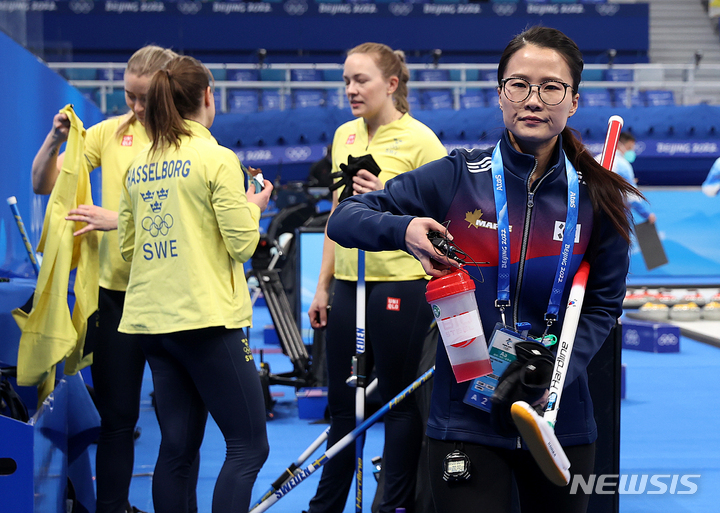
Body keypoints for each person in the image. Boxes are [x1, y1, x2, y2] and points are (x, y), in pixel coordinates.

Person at [325, 27, 638, 513]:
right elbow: (345, 218)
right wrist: (404, 230)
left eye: (551, 87)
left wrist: (555, 373)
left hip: (558, 420)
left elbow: (603, 304)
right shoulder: (456, 175)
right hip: (465, 416)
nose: (533, 99)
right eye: (518, 84)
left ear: (573, 100)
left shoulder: (598, 197)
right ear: (500, 95)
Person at [30, 45, 195, 513]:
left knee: (178, 425)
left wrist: (117, 218)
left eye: (146, 98)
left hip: (171, 301)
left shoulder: (188, 139)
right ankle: (112, 508)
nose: (138, 108)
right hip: (116, 299)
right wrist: (54, 140)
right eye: (130, 97)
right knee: (117, 419)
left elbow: (184, 217)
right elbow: (45, 184)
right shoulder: (108, 133)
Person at [116, 55, 272, 513]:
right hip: (206, 323)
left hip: (153, 326)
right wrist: (254, 204)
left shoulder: (140, 162)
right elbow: (243, 244)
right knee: (248, 447)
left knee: (177, 450)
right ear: (208, 97)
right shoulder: (217, 158)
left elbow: (129, 249)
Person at [305, 42, 447, 513]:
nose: (350, 89)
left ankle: (390, 505)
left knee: (398, 405)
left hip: (400, 287)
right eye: (346, 80)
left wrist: (389, 194)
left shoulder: (421, 140)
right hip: (348, 284)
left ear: (391, 84)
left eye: (360, 80)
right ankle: (325, 507)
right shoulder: (343, 135)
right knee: (344, 408)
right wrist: (323, 285)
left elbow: (444, 217)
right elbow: (335, 216)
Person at [595, 131, 656, 223]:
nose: (631, 152)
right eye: (629, 148)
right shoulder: (623, 164)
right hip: (614, 216)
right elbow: (632, 197)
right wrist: (647, 215)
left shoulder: (596, 159)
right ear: (619, 145)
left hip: (593, 213)